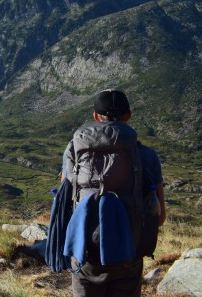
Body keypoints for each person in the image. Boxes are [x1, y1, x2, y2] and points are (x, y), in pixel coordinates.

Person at [61, 89, 166, 297]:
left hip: (84, 255)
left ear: (95, 116)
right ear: (129, 115)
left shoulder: (74, 149)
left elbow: (66, 201)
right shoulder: (146, 155)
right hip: (128, 256)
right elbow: (159, 217)